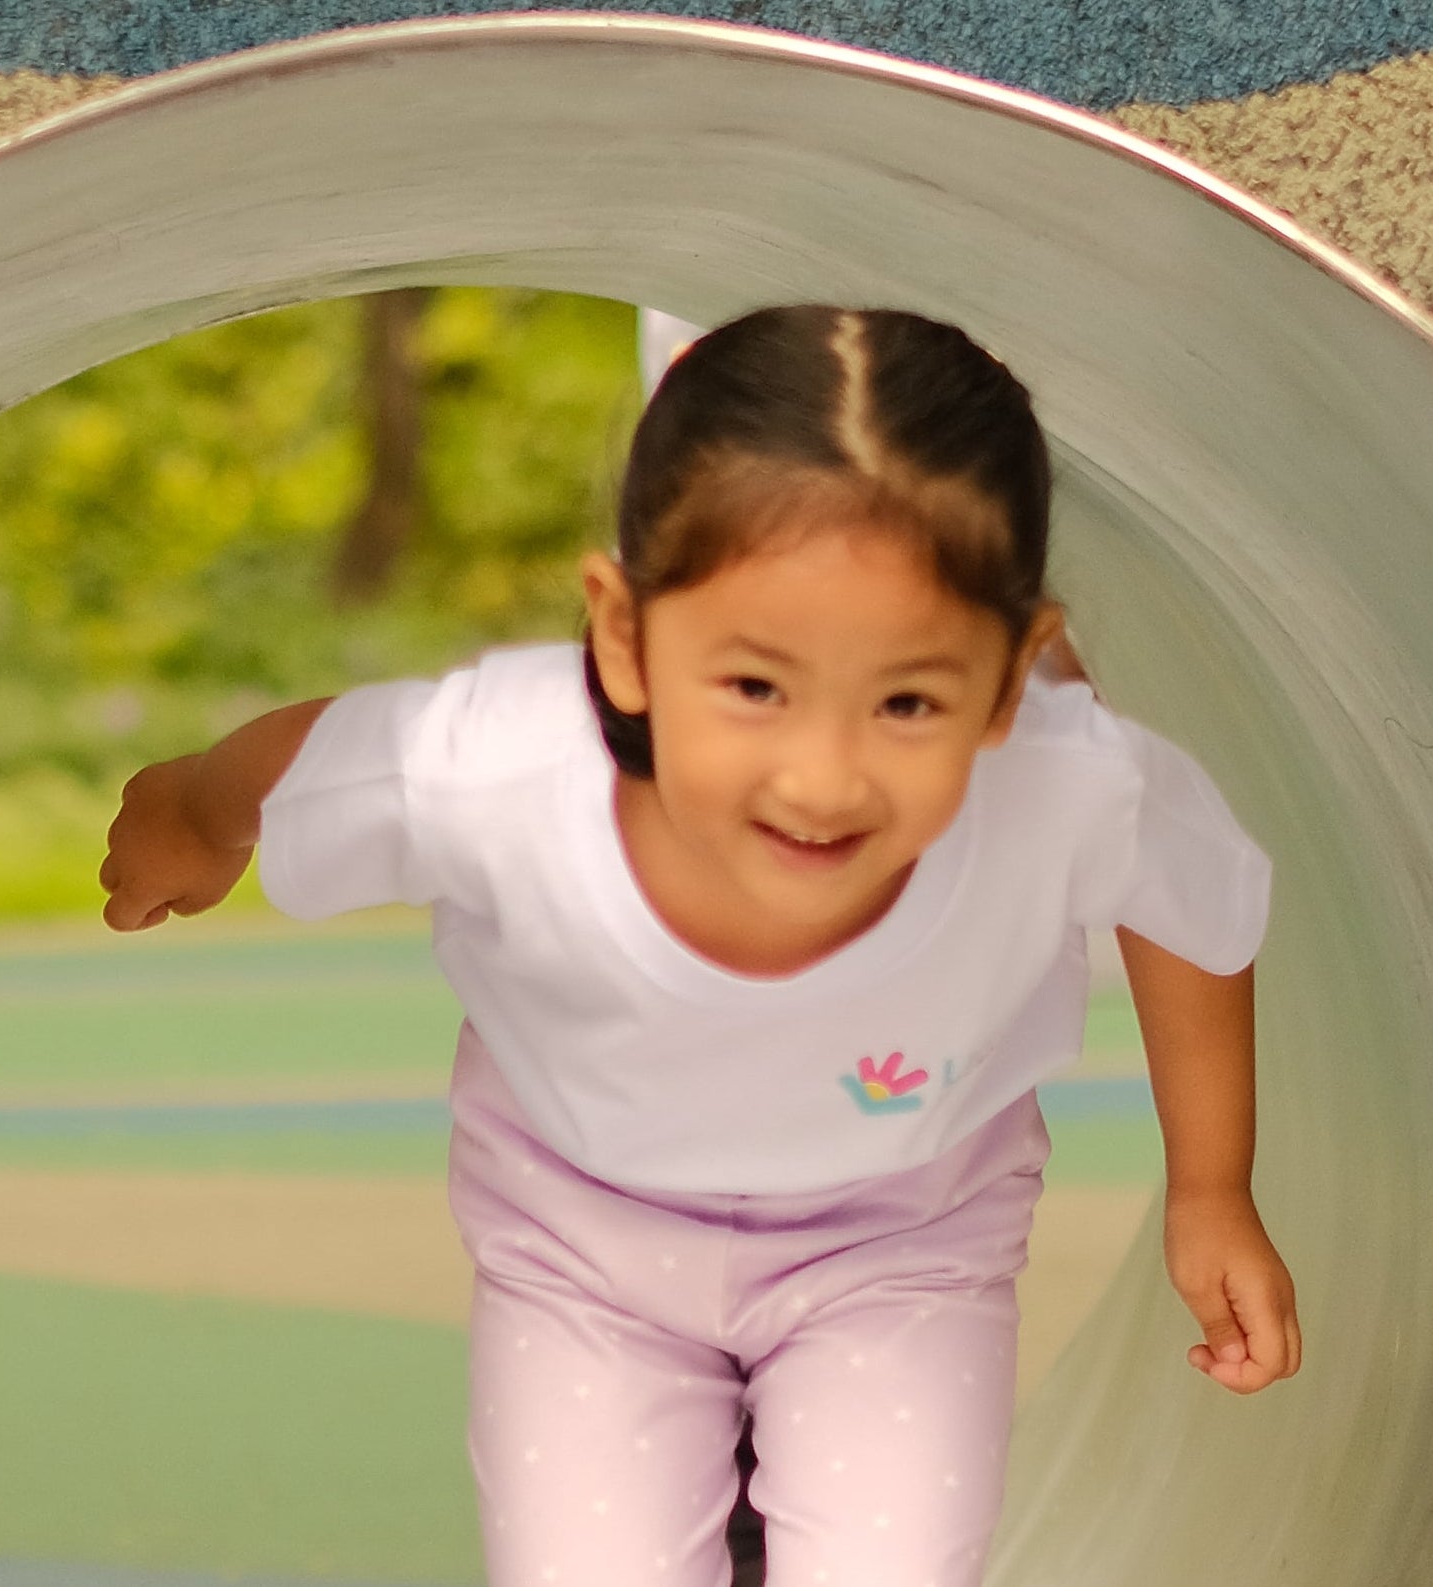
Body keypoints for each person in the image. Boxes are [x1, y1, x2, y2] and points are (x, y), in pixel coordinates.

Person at [96, 304, 1299, 1586]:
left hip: (899, 1246)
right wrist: (186, 817)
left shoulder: (1069, 783)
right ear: (621, 638)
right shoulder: (500, 777)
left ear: (1012, 677)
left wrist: (1209, 1185)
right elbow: (312, 770)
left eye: (905, 700)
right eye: (753, 688)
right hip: (581, 1251)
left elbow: (1193, 906)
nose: (822, 777)